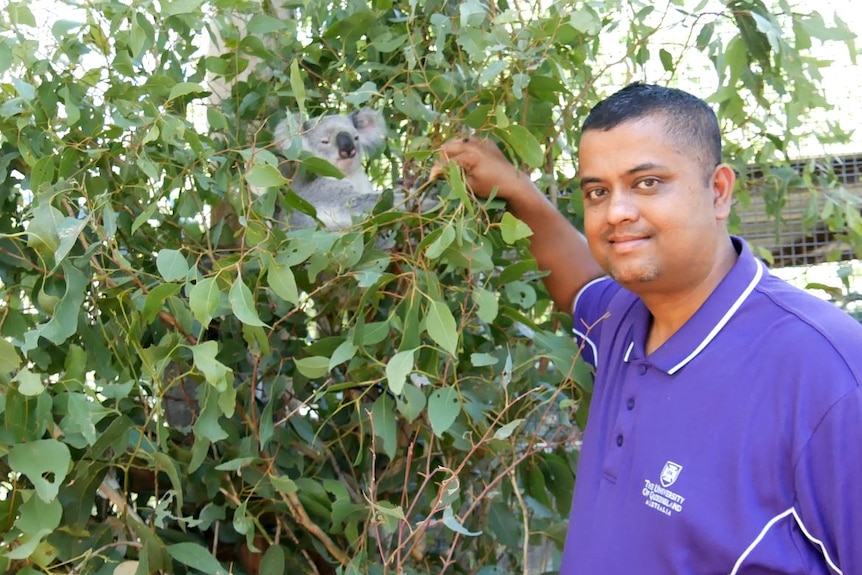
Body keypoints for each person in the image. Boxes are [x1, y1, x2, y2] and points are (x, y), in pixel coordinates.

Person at [438, 82, 862, 574]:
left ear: (718, 190)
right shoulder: (622, 319)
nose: (617, 212)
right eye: (598, 192)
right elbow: (577, 282)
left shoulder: (828, 375)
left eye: (647, 183)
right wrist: (514, 187)